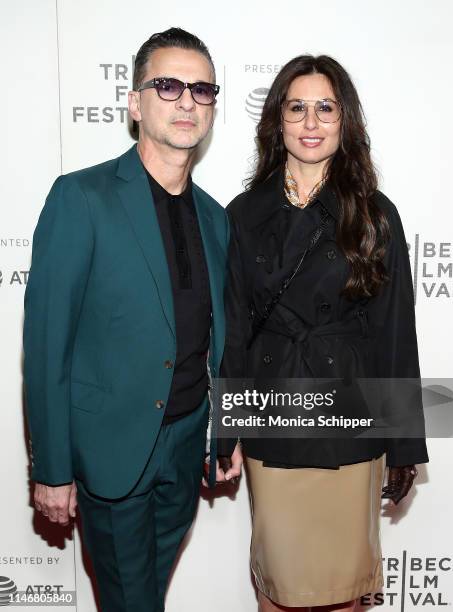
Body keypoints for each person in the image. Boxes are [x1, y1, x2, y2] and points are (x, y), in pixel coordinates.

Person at [23, 27, 227, 612]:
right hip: (109, 454)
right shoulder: (81, 198)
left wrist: (223, 432)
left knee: (144, 598)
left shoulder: (216, 219)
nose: (187, 100)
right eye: (167, 85)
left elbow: (219, 339)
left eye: (202, 89)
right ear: (135, 104)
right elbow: (45, 348)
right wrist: (53, 467)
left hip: (187, 446)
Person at [216, 55, 429, 611]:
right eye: (297, 108)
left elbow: (393, 333)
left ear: (344, 120)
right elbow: (234, 329)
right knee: (279, 589)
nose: (311, 123)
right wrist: (225, 429)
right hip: (274, 417)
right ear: (278, 121)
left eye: (325, 109)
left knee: (343, 594)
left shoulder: (374, 214)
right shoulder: (243, 213)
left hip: (349, 425)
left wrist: (403, 443)